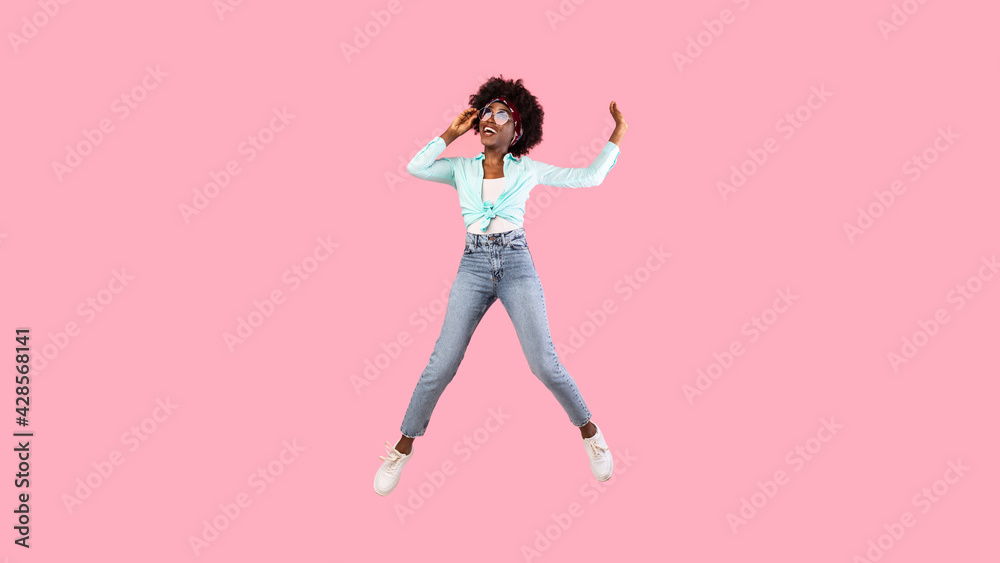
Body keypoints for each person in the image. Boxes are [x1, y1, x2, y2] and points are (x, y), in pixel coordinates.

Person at [374, 75, 628, 496]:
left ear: (517, 131)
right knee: (441, 365)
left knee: (544, 364)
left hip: (515, 263)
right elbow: (415, 167)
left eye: (502, 114)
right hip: (473, 265)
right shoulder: (459, 169)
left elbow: (589, 178)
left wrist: (618, 132)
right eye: (487, 111)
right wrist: (449, 133)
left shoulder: (527, 169)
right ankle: (403, 446)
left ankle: (590, 432)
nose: (491, 118)